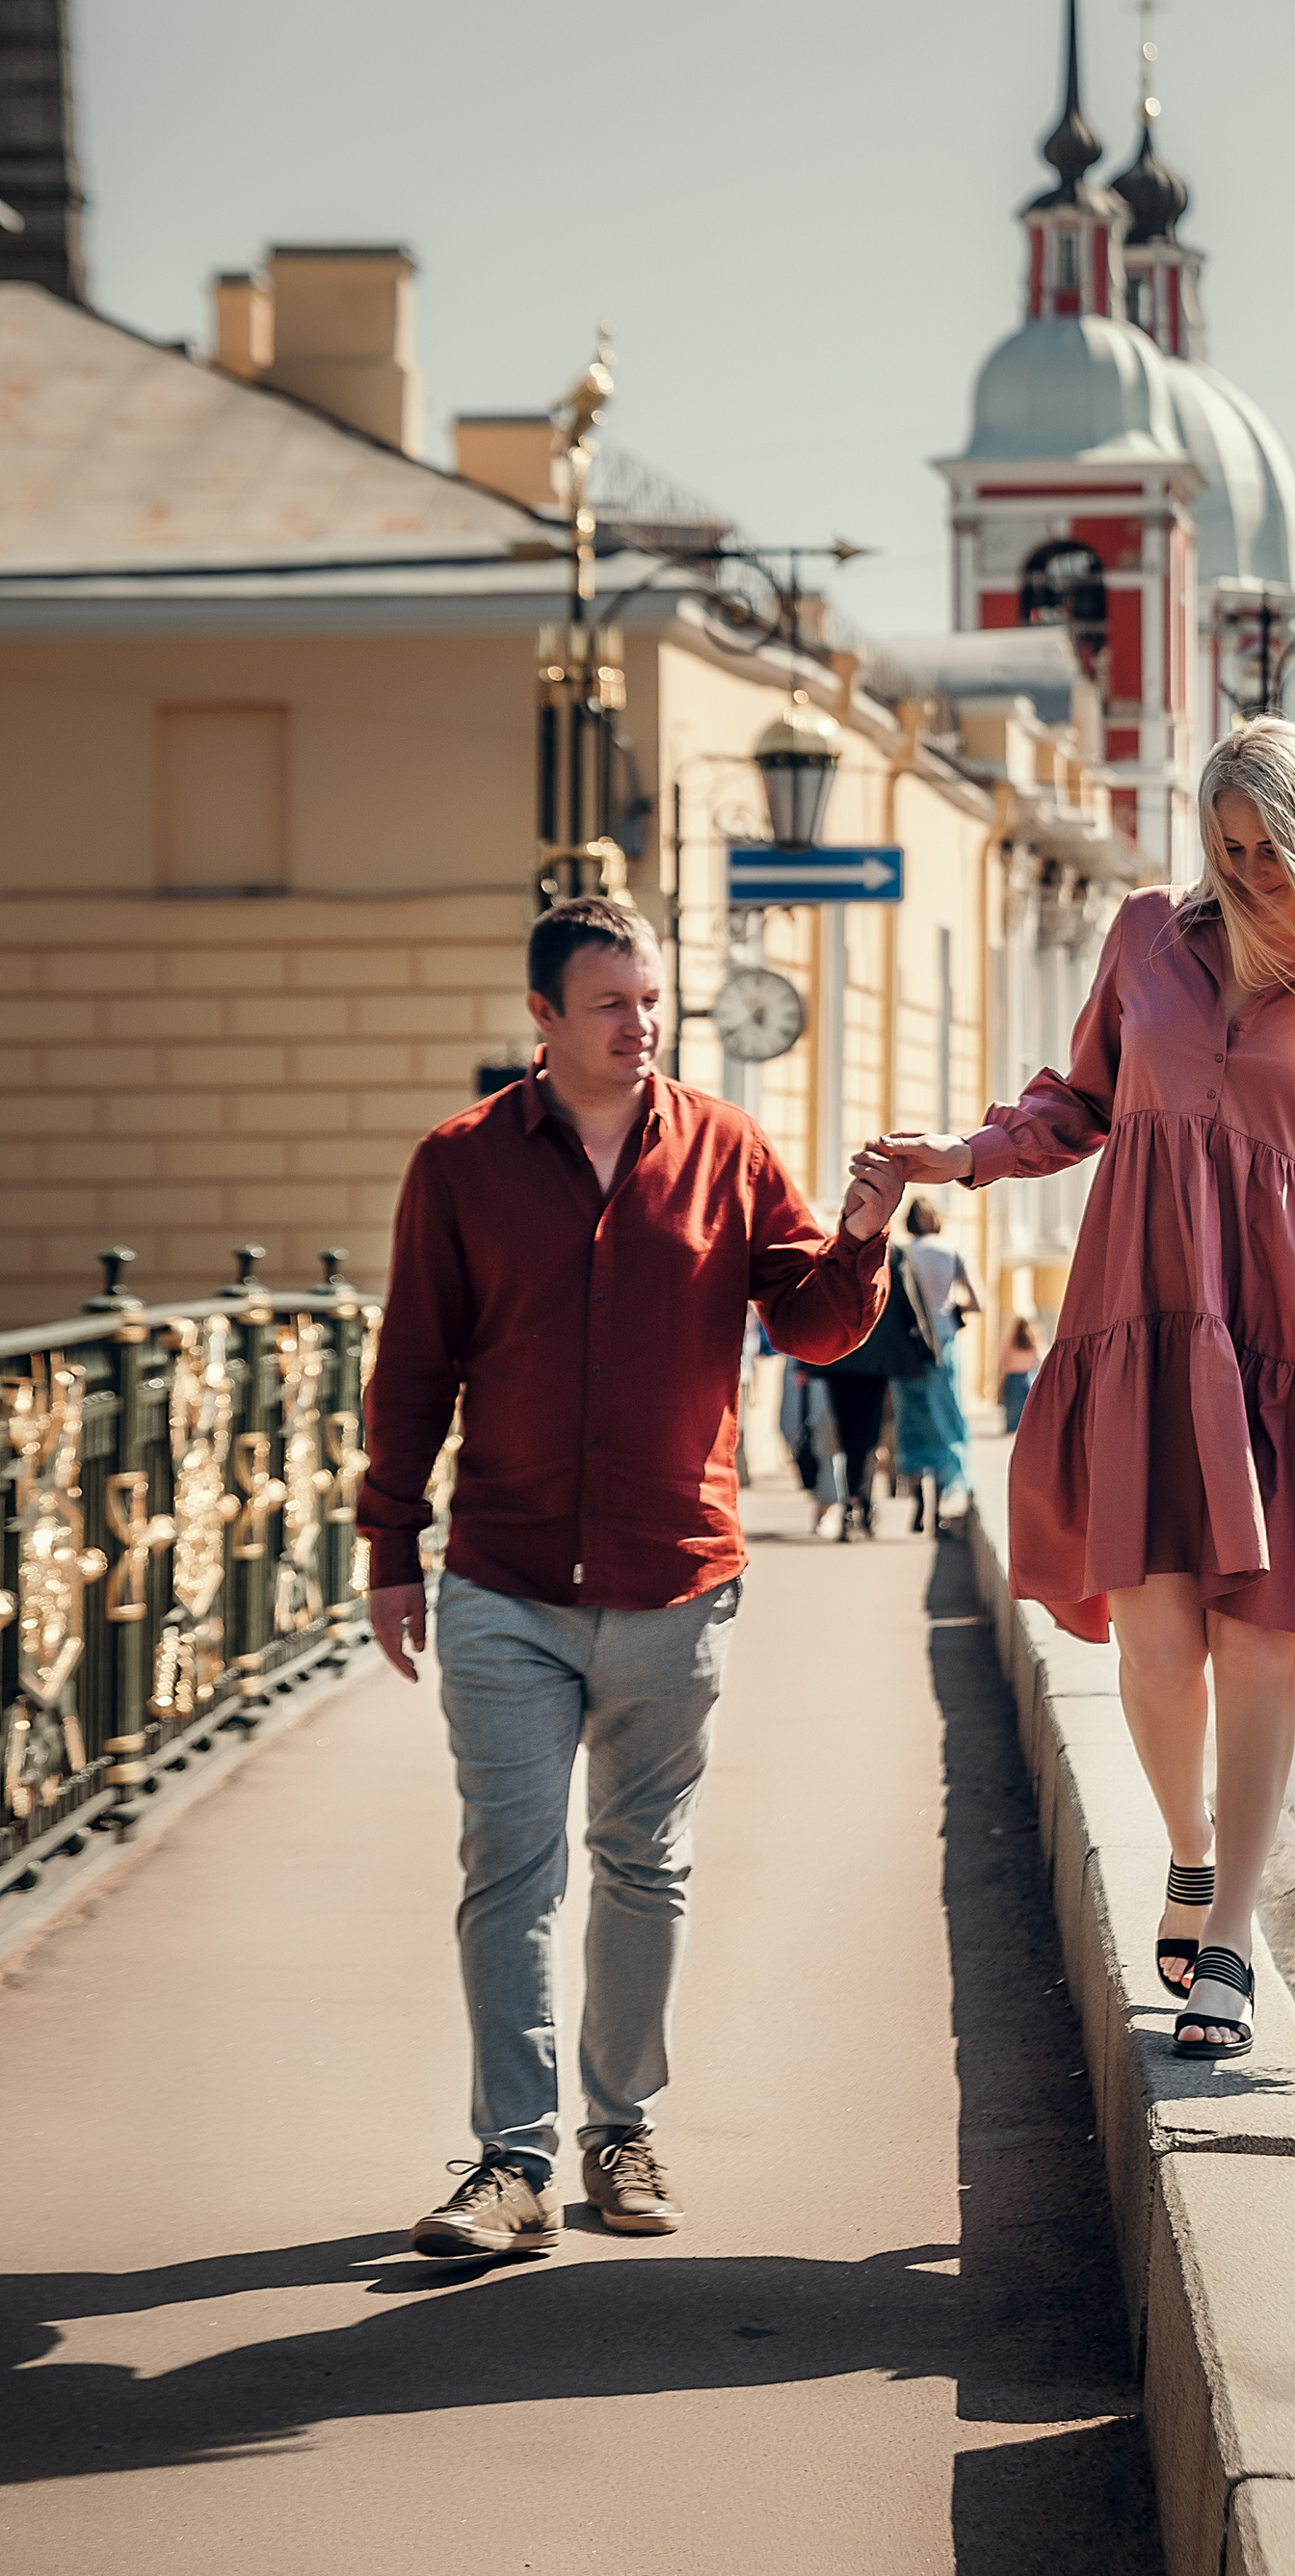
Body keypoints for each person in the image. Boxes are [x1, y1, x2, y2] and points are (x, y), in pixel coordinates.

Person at [872, 717, 1295, 2061]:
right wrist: (966, 1155)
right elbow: (1078, 1101)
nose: (1247, 874)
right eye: (1226, 849)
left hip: (1291, 1342)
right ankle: (1190, 1850)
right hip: (1148, 1318)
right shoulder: (1148, 934)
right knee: (1156, 1649)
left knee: (1256, 1635)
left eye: (1271, 851)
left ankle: (1229, 1942)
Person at [357, 893, 901, 2258]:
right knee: (511, 1871)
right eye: (610, 1004)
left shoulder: (724, 1148)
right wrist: (388, 1548)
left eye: (651, 1000)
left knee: (645, 1867)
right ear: (540, 1018)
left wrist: (865, 1233)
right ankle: (510, 2163)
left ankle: (621, 2131)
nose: (640, 1024)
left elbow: (820, 1325)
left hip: (673, 1581)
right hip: (504, 1576)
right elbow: (413, 1368)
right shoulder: (461, 1166)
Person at [809, 1237, 942, 1537]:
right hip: (875, 1359)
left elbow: (817, 1299)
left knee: (847, 1432)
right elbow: (911, 1302)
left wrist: (806, 1359)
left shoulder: (833, 1247)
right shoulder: (893, 1254)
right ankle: (859, 1503)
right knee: (867, 1433)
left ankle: (854, 1504)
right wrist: (927, 1347)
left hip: (839, 1356)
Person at [891, 1198, 979, 1527]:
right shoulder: (951, 1251)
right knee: (948, 1418)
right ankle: (943, 1501)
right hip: (943, 1344)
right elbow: (977, 1301)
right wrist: (951, 1311)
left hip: (907, 1346)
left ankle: (916, 1496)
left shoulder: (898, 1254)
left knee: (911, 1421)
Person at [997, 1316, 1043, 1434]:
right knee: (1027, 1414)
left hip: (1012, 1379)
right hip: (1027, 1379)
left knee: (1012, 1415)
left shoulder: (1009, 1343)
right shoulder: (1031, 1343)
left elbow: (1001, 1362)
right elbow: (1041, 1359)